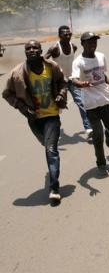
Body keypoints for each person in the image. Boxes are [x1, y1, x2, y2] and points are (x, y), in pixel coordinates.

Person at [3, 40, 68, 201]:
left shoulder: (51, 66)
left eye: (35, 48)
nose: (31, 50)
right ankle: (49, 144)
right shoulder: (17, 73)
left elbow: (63, 82)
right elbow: (7, 94)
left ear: (40, 50)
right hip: (34, 119)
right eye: (28, 48)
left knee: (51, 150)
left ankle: (54, 188)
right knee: (46, 145)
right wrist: (22, 107)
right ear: (25, 52)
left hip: (52, 115)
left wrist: (61, 94)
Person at [71, 32, 109, 175]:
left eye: (94, 41)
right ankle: (101, 164)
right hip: (91, 104)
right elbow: (74, 80)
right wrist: (82, 83)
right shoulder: (78, 62)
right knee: (98, 137)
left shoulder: (101, 56)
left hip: (105, 100)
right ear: (82, 44)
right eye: (89, 42)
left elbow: (102, 74)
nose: (93, 44)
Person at [45, 25, 92, 136]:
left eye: (69, 34)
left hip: (72, 80)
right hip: (59, 82)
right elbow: (44, 60)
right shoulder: (54, 48)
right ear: (59, 36)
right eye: (65, 34)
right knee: (58, 107)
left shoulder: (73, 47)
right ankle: (52, 130)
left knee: (81, 102)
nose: (67, 36)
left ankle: (88, 128)